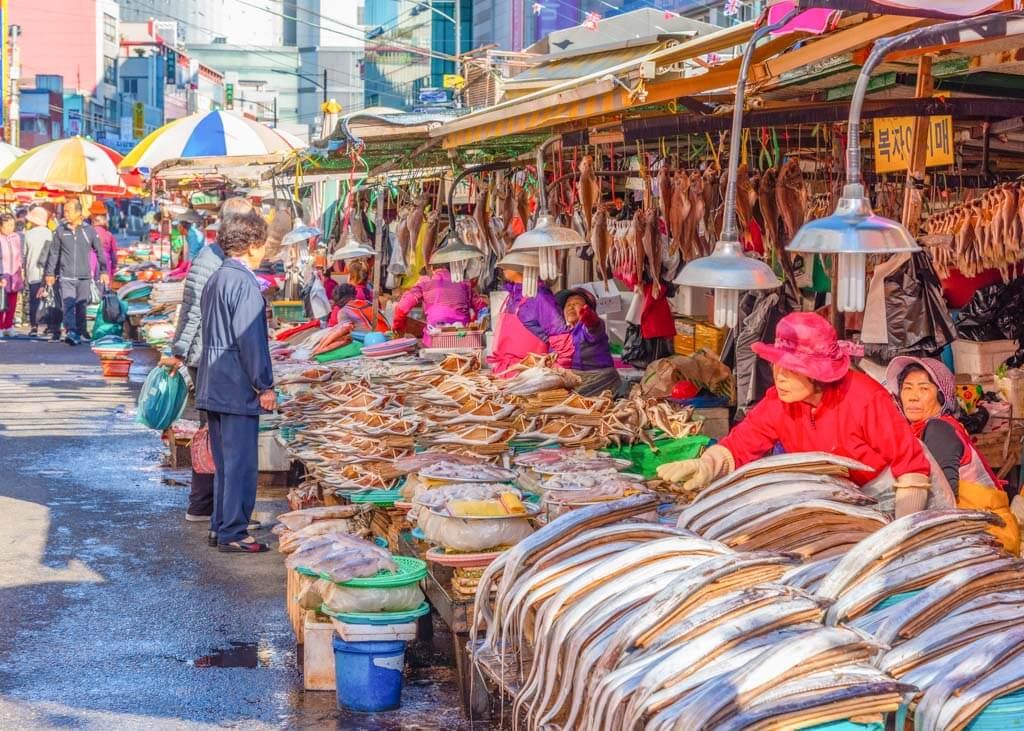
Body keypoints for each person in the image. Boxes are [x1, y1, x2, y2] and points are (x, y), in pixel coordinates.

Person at [657, 312, 935, 518]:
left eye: (791, 369)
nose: (779, 377)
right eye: (778, 366)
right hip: (843, 500)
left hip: (898, 494)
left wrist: (904, 529)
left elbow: (910, 468)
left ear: (819, 374)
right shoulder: (779, 403)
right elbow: (739, 446)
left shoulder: (864, 398)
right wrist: (707, 465)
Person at [160, 199, 252, 526]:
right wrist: (179, 351)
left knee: (213, 432)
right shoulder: (210, 260)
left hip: (216, 354)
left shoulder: (222, 258)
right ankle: (207, 508)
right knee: (214, 433)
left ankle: (209, 508)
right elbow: (194, 312)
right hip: (208, 356)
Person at [196, 211, 275, 554]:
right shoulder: (243, 283)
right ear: (254, 246)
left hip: (214, 381)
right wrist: (265, 384)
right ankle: (234, 531)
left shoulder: (217, 278)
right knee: (240, 463)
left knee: (226, 464)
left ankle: (221, 525)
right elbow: (251, 340)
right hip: (235, 384)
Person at [887, 356, 1020, 551]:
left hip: (990, 536)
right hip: (978, 529)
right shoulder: (925, 428)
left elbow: (944, 498)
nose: (913, 396)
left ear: (941, 396)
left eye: (924, 388)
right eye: (907, 388)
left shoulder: (938, 429)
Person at [487, 250, 572, 376]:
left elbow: (562, 342)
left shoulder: (540, 297)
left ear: (523, 265)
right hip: (506, 375)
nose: (501, 266)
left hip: (531, 376)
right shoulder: (511, 296)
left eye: (508, 262)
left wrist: (555, 375)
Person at [44, 199, 108, 345]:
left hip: (84, 277)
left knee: (81, 305)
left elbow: (99, 252)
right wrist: (50, 273)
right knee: (68, 304)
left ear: (78, 213)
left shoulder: (89, 231)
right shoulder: (60, 230)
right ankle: (71, 331)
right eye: (65, 211)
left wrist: (104, 271)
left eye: (68, 211)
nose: (65, 214)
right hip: (65, 276)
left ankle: (80, 331)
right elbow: (54, 253)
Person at [392, 259, 488, 347]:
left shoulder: (425, 281)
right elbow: (483, 309)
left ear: (431, 268)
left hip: (435, 339)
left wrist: (397, 327)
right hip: (462, 337)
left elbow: (402, 307)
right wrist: (476, 325)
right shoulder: (463, 282)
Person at [556, 288, 621, 396]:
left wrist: (591, 320)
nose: (570, 306)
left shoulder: (587, 328)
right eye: (567, 304)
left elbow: (594, 329)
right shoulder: (563, 332)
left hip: (599, 385)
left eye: (576, 303)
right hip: (573, 384)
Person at [22, 206, 52, 338]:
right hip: (48, 272)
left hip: (33, 271)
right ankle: (49, 326)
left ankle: (34, 326)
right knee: (48, 298)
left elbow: (24, 254)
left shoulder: (28, 234)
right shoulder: (50, 233)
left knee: (34, 300)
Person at [0, 213, 24, 337]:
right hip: (2, 273)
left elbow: (20, 254)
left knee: (12, 301)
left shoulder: (17, 237)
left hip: (15, 272)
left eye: (12, 225)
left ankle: (9, 326)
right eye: (7, 225)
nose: (10, 228)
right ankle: (0, 327)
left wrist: (20, 270)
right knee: (1, 301)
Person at [89, 201, 118, 278]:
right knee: (103, 288)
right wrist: (113, 270)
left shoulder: (87, 232)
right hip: (105, 266)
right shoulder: (109, 235)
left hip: (90, 266)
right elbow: (114, 257)